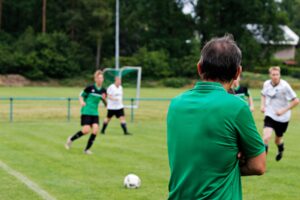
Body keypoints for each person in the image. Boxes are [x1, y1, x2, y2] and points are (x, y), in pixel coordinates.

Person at [167, 35, 266, 200]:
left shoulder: (175, 104)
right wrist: (230, 165)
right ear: (237, 72)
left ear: (199, 68)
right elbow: (258, 165)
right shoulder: (237, 107)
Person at [261, 66, 299, 161]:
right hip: (270, 114)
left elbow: (296, 101)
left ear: (280, 75)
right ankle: (262, 161)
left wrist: (283, 110)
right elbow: (263, 94)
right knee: (266, 137)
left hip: (283, 117)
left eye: (277, 74)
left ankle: (280, 149)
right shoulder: (266, 84)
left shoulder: (285, 86)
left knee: (277, 140)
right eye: (273, 74)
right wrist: (263, 105)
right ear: (270, 75)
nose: (275, 76)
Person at [65, 70, 107, 154]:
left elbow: (106, 104)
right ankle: (71, 139)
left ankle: (86, 149)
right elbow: (81, 96)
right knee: (86, 130)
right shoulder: (90, 88)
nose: (100, 79)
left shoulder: (103, 90)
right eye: (99, 78)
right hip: (86, 111)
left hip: (95, 113)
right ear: (95, 79)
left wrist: (104, 99)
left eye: (101, 78)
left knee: (95, 130)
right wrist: (81, 102)